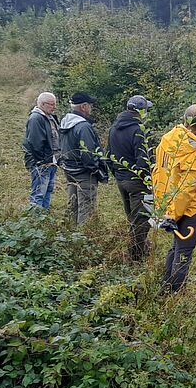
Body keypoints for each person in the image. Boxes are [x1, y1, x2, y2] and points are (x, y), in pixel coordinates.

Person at [152, 104, 196, 292]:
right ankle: (175, 293)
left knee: (176, 247)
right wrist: (174, 215)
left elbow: (158, 172)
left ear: (185, 119)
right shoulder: (194, 149)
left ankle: (167, 285)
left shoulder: (168, 138)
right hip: (188, 209)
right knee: (184, 251)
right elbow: (188, 187)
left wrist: (164, 207)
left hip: (166, 203)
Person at [108, 95, 154, 261]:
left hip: (122, 180)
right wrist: (148, 181)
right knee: (142, 218)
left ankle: (139, 248)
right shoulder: (139, 130)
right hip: (138, 182)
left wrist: (118, 175)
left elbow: (109, 155)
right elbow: (144, 160)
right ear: (140, 111)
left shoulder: (114, 127)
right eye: (145, 109)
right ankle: (136, 257)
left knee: (132, 218)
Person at [59, 92, 108, 225]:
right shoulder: (83, 126)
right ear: (84, 107)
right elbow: (88, 154)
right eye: (90, 105)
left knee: (73, 206)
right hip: (84, 173)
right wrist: (96, 170)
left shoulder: (65, 122)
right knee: (86, 208)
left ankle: (70, 235)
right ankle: (84, 240)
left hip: (70, 170)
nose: (91, 108)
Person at [22, 92, 60, 210]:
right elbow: (35, 144)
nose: (54, 107)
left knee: (48, 190)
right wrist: (42, 162)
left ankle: (44, 217)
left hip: (51, 162)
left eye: (55, 104)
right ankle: (35, 220)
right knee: (39, 193)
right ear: (43, 104)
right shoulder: (36, 118)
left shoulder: (50, 117)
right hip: (42, 164)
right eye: (52, 104)